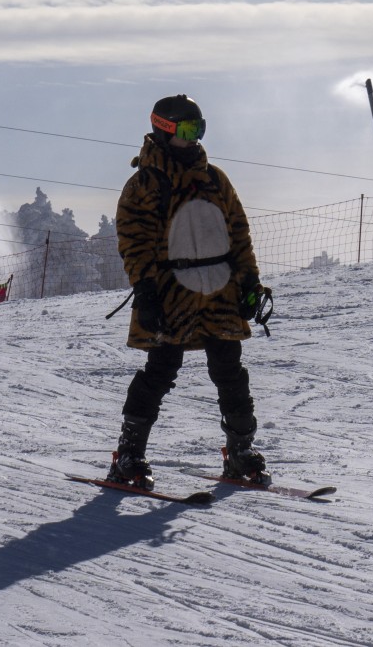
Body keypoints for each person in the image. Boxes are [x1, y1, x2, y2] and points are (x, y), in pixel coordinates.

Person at [109, 94, 269, 490]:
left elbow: (238, 233)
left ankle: (240, 451)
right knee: (161, 371)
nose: (194, 138)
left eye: (199, 130)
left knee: (230, 371)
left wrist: (249, 281)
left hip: (219, 291)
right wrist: (145, 291)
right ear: (163, 131)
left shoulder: (214, 179)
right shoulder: (144, 183)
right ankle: (129, 455)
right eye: (186, 130)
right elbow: (134, 241)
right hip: (170, 291)